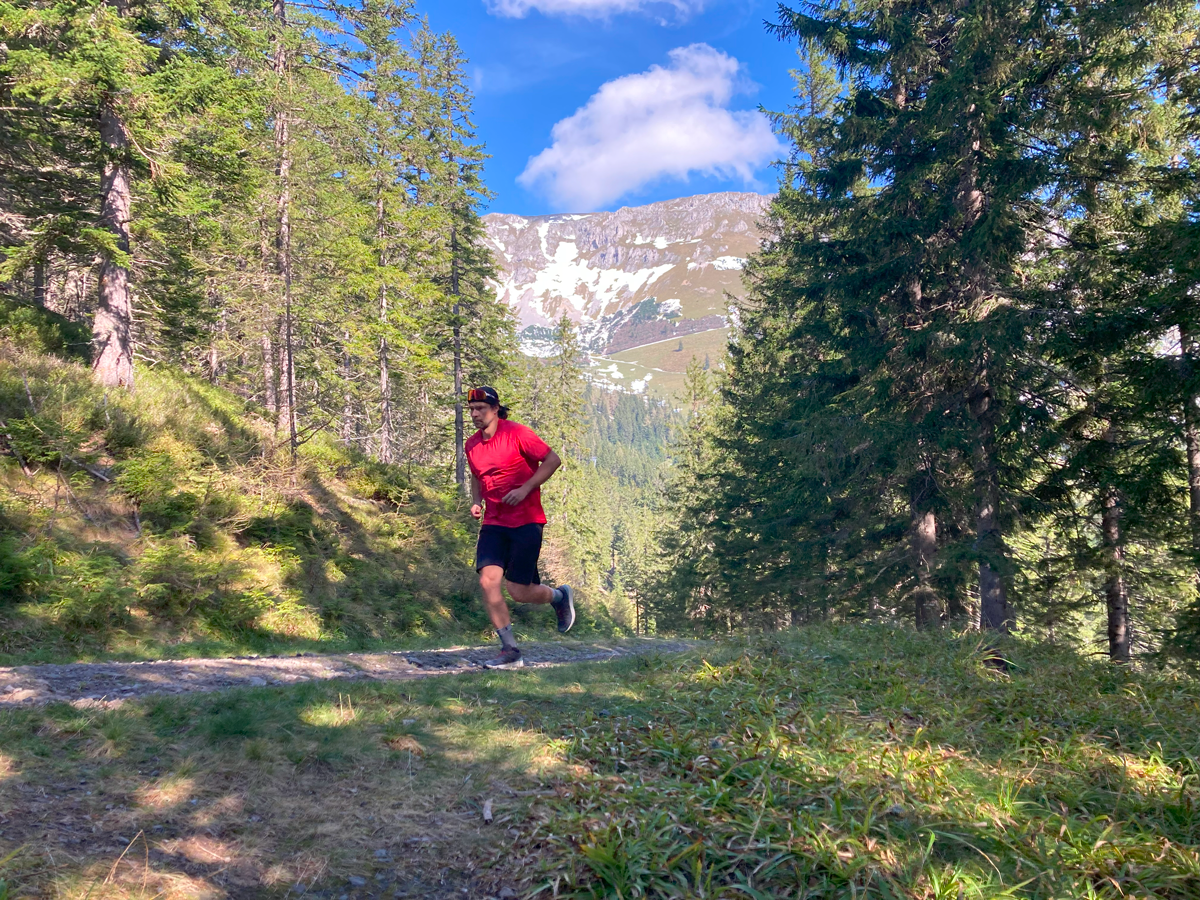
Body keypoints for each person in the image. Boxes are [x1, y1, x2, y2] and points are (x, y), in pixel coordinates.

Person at [464, 386, 574, 669]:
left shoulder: (516, 433)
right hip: (494, 523)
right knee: (488, 581)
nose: (476, 414)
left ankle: (559, 596)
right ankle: (510, 650)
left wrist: (526, 489)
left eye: (481, 409)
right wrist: (476, 500)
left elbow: (553, 460)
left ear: (496, 409)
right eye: (472, 409)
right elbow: (477, 476)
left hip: (526, 520)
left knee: (519, 591)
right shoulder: (472, 444)